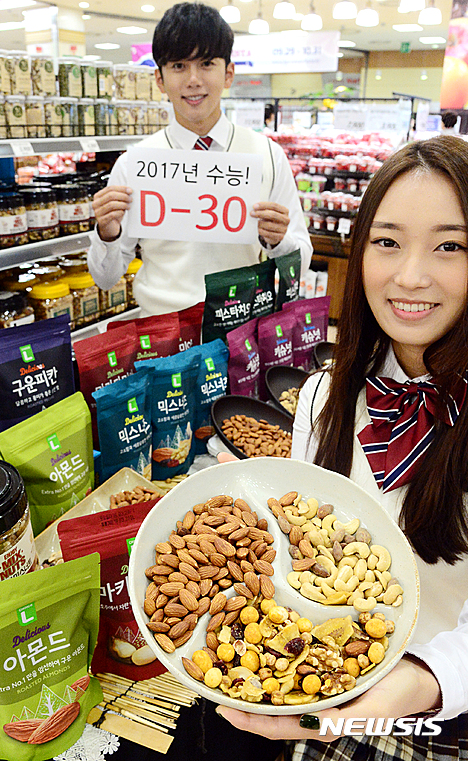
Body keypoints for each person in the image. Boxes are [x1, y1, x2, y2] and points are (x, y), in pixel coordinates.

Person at [216, 135, 468, 761]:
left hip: (447, 725)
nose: (410, 276)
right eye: (387, 242)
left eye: (450, 246)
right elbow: (306, 553)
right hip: (329, 692)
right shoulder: (324, 397)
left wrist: (422, 684)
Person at [87, 3, 312, 317]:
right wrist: (107, 233)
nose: (193, 79)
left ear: (228, 73)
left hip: (239, 329)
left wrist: (278, 241)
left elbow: (301, 264)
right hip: (161, 331)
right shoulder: (135, 164)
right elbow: (105, 278)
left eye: (206, 63)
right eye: (179, 65)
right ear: (160, 79)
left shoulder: (267, 156)